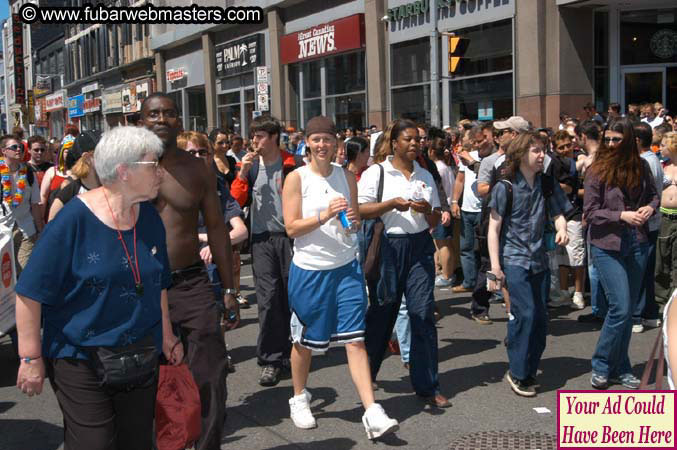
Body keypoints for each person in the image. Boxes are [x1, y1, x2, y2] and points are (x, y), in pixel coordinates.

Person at [14, 126, 184, 450]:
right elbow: (29, 291)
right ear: (124, 171)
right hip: (79, 357)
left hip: (139, 352)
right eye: (153, 165)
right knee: (95, 443)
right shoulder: (73, 221)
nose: (161, 172)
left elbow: (158, 282)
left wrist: (166, 334)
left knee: (136, 443)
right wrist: (29, 357)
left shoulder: (148, 217)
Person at [281, 116, 399, 438]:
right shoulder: (296, 178)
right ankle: (298, 397)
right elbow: (291, 227)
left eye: (327, 140)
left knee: (355, 339)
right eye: (316, 139)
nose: (322, 145)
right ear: (307, 143)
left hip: (346, 266)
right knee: (304, 341)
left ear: (337, 144)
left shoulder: (347, 176)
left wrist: (352, 221)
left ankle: (372, 411)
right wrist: (325, 215)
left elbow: (355, 219)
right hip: (310, 270)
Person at [140, 93, 237, 450]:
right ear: (142, 120)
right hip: (141, 289)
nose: (161, 119)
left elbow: (217, 230)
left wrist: (229, 289)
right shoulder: (125, 167)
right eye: (153, 114)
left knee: (211, 376)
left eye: (169, 113)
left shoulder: (198, 169)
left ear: (180, 121)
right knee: (145, 382)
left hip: (190, 282)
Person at [359, 119, 451, 408]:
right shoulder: (377, 172)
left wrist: (428, 211)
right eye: (408, 139)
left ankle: (428, 386)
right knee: (383, 313)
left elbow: (436, 219)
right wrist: (390, 204)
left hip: (420, 247)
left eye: (418, 140)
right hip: (389, 245)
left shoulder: (424, 174)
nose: (415, 144)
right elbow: (360, 209)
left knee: (422, 314)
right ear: (395, 142)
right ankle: (367, 373)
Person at [487, 131, 570, 397]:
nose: (541, 155)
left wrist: (562, 227)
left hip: (539, 259)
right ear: (521, 153)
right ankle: (518, 372)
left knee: (540, 320)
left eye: (543, 149)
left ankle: (528, 369)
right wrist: (495, 267)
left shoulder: (547, 183)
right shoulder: (505, 186)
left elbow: (558, 211)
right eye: (535, 150)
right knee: (526, 314)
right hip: (514, 259)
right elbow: (493, 228)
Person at [584, 117, 659, 390]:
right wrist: (621, 215)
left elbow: (654, 195)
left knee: (627, 313)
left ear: (629, 140)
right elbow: (590, 213)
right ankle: (602, 364)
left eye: (617, 139)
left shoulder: (641, 166)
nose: (611, 144)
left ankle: (621, 367)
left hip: (637, 243)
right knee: (621, 308)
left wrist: (650, 208)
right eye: (608, 139)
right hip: (607, 245)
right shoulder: (596, 170)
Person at [231, 115, 304, 387]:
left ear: (274, 137)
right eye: (253, 136)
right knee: (269, 297)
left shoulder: (293, 164)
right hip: (262, 240)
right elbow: (234, 202)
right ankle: (271, 359)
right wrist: (240, 174)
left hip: (291, 238)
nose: (255, 142)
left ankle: (291, 351)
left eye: (260, 136)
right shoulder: (249, 166)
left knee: (291, 296)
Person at [633, 122, 664, 333]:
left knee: (639, 271)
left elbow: (648, 195)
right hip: (651, 222)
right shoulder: (653, 159)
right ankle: (650, 313)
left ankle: (638, 315)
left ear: (636, 140)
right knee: (646, 271)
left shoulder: (645, 162)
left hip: (646, 223)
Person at [550, 130, 586, 310]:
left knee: (577, 256)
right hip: (558, 213)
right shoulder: (554, 163)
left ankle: (578, 293)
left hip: (576, 212)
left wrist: (571, 190)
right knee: (561, 256)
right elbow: (554, 186)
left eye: (567, 145)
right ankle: (564, 292)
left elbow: (582, 189)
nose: (565, 150)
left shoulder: (581, 160)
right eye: (560, 147)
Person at [0, 134, 43, 277]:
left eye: (20, 147)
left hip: (26, 227)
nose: (18, 149)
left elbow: (35, 203)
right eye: (14, 147)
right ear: (4, 151)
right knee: (5, 275)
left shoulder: (29, 172)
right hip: (3, 229)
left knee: (24, 272)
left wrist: (39, 229)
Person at [48, 131, 103, 221]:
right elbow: (52, 230)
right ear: (88, 158)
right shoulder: (68, 193)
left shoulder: (113, 187)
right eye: (102, 153)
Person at [429, 127, 456, 289]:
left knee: (442, 244)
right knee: (445, 243)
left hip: (442, 209)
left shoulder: (438, 168)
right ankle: (447, 272)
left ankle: (446, 275)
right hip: (447, 208)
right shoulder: (446, 167)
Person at [656, 132, 677, 307]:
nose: (660, 148)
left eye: (663, 145)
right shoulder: (662, 166)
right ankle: (661, 299)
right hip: (663, 216)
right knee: (661, 259)